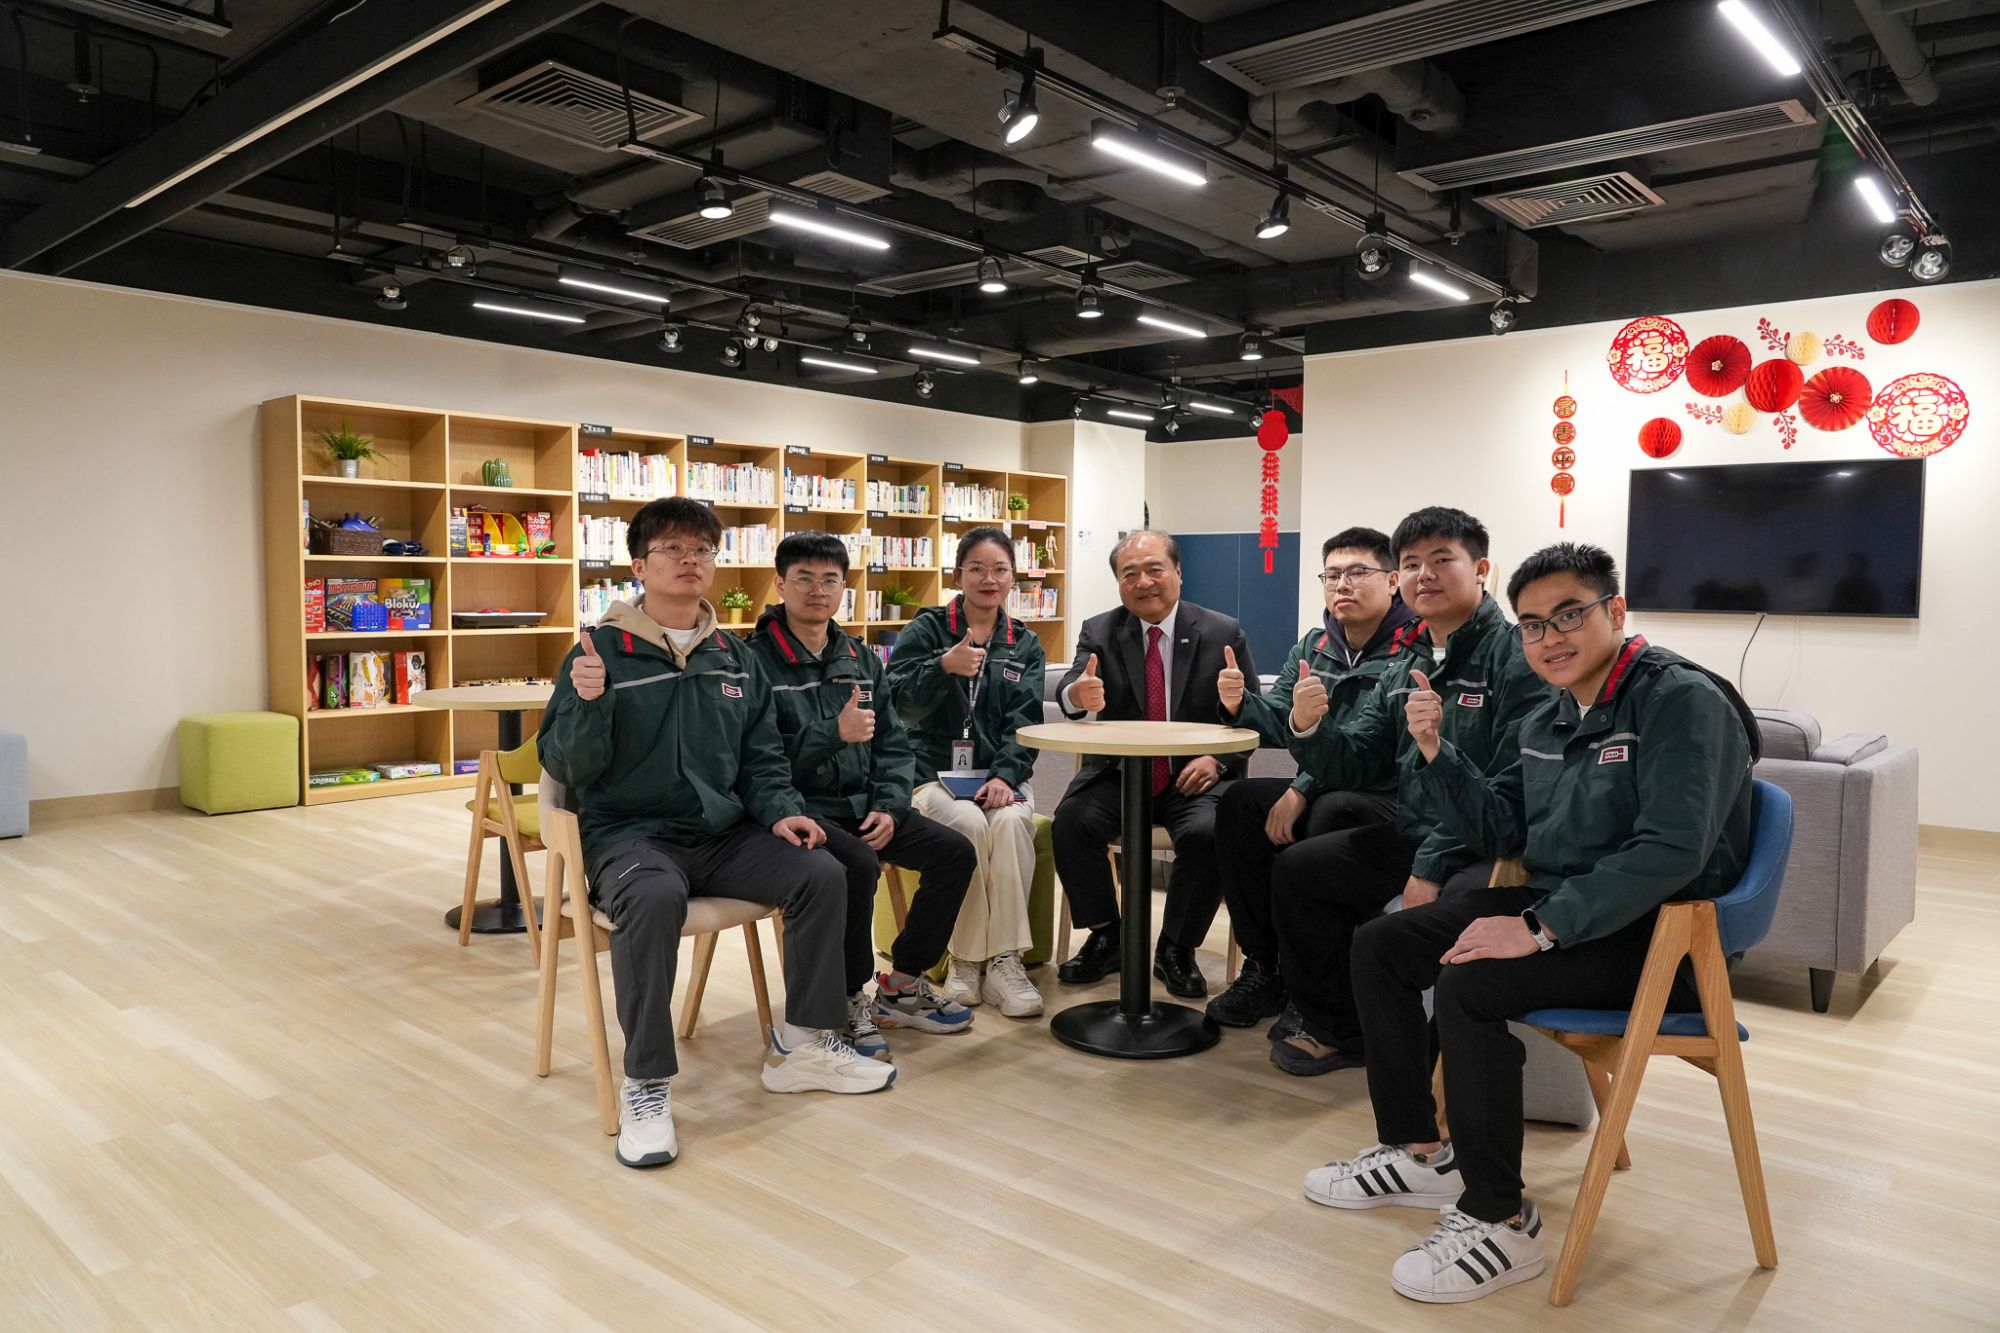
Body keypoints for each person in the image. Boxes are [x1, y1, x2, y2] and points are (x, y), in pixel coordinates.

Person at [1306, 542, 1760, 1305]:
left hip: (1661, 942)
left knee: (1471, 981)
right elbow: (1499, 822)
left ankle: (1500, 1216)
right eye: (1532, 625)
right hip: (1577, 914)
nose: (1550, 637)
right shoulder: (1554, 712)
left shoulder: (1682, 700)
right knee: (1382, 944)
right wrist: (1435, 750)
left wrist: (1541, 926)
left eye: (1569, 615)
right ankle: (1421, 1149)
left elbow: (1672, 849)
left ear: (1615, 612)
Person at [539, 498, 893, 1171]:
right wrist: (587, 703)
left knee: (823, 870)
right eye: (673, 548)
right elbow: (567, 768)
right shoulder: (598, 652)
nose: (689, 560)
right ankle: (645, 1084)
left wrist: (783, 808)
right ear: (640, 564)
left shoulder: (734, 656)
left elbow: (761, 757)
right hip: (631, 837)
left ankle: (801, 1044)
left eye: (702, 548)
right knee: (650, 901)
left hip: (723, 834)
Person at [1275, 507, 1546, 1076]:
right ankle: (1338, 1028)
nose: (1425, 574)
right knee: (1301, 869)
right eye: (1412, 563)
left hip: (1489, 848)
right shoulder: (1407, 658)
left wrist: (1427, 867)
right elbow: (1357, 760)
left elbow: (1506, 795)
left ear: (1482, 570)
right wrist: (1309, 728)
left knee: (1434, 916)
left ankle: (1434, 1066)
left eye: (1442, 559)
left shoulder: (1515, 657)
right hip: (1417, 834)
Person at [749, 532, 979, 1063]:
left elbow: (895, 748)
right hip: (799, 814)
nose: (818, 590)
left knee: (954, 852)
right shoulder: (754, 662)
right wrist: (834, 732)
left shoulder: (860, 656)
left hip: (866, 807)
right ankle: (849, 996)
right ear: (780, 583)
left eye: (830, 580)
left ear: (844, 588)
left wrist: (890, 806)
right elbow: (759, 762)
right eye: (803, 578)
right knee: (856, 865)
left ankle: (900, 983)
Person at [1206, 526, 1424, 1030]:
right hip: (1331, 777)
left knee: (1333, 808)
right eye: (1332, 575)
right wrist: (1239, 705)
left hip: (1388, 797)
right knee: (1240, 802)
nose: (1342, 585)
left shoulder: (1412, 646)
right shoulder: (1316, 642)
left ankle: (1322, 989)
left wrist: (1301, 789)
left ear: (1393, 581)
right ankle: (1266, 967)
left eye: (1357, 573)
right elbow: (1283, 720)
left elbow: (1375, 752)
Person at [1053, 530, 1258, 999]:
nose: (1143, 581)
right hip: (1121, 775)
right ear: (1119, 584)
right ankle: (1106, 936)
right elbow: (1070, 689)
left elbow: (1252, 716)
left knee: (1210, 834)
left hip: (1196, 779)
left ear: (1178, 573)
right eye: (1130, 574)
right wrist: (1076, 695)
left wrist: (1219, 761)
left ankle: (1175, 949)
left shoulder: (1223, 632)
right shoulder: (1100, 630)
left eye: (1154, 569)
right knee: (1070, 821)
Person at [885, 526, 1048, 1018]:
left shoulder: (1024, 642)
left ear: (1013, 577)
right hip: (932, 774)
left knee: (1014, 821)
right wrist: (943, 667)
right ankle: (965, 961)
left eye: (999, 569)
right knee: (969, 824)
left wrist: (1004, 776)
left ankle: (1005, 960)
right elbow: (898, 704)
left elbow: (1026, 722)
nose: (988, 578)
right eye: (976, 568)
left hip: (999, 776)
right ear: (958, 575)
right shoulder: (928, 627)